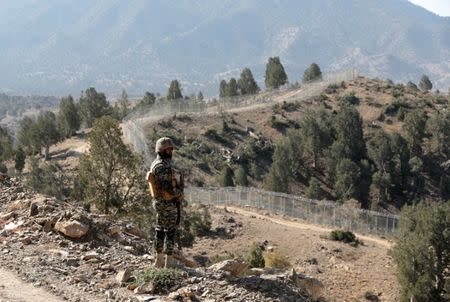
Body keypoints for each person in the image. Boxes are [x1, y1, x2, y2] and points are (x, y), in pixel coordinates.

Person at [147, 137, 183, 268]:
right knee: (169, 231)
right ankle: (167, 262)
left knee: (160, 230)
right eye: (168, 150)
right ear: (161, 150)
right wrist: (179, 194)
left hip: (161, 203)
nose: (170, 152)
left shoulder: (157, 164)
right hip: (166, 203)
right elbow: (167, 187)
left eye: (171, 149)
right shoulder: (162, 166)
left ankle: (159, 260)